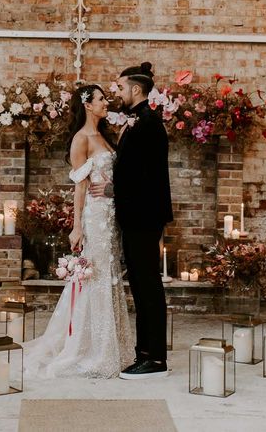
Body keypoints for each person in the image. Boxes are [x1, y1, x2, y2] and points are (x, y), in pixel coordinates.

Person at [24, 84, 134, 378]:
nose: (106, 102)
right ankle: (93, 349)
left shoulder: (107, 136)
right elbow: (80, 187)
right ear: (87, 104)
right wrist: (76, 228)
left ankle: (113, 346)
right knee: (95, 277)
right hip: (95, 218)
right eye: (101, 99)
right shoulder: (81, 139)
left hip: (111, 218)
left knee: (110, 276)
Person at [92, 61, 173, 379]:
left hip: (144, 216)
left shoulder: (150, 123)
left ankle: (155, 359)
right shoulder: (138, 121)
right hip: (136, 215)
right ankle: (144, 353)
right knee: (139, 285)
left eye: (121, 88)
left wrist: (112, 188)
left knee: (148, 286)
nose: (117, 93)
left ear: (136, 89)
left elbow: (146, 176)